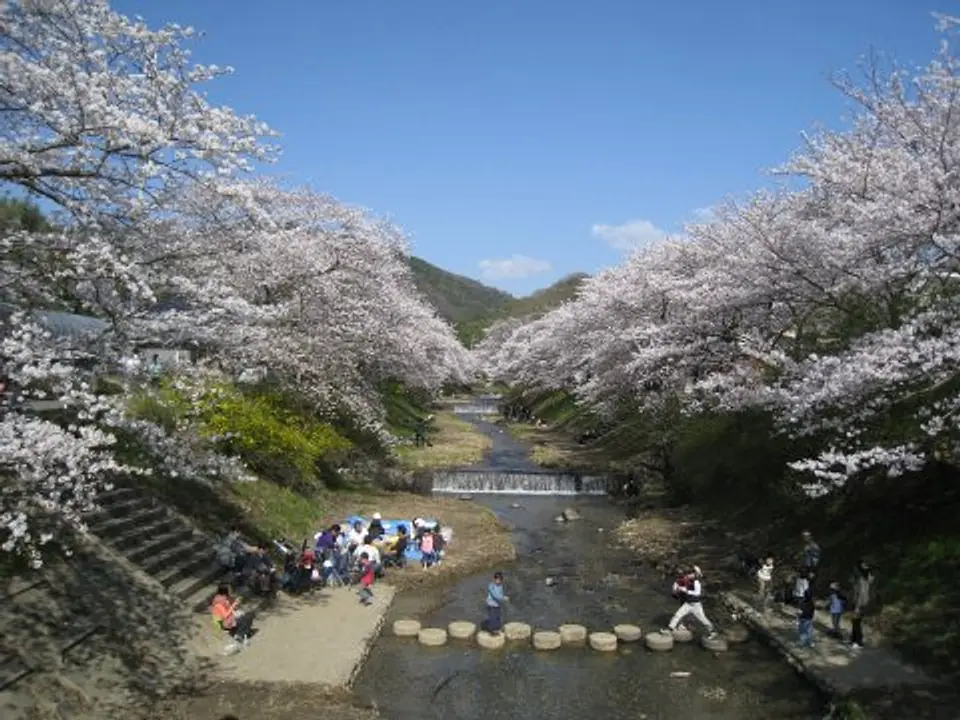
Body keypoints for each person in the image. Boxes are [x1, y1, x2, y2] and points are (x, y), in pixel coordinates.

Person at [661, 566, 718, 638]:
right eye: (687, 574)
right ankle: (669, 629)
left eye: (689, 574)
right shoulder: (687, 579)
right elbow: (678, 582)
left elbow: (697, 593)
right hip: (688, 604)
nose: (687, 576)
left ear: (694, 574)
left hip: (696, 605)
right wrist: (676, 587)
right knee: (677, 615)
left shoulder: (696, 582)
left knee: (703, 619)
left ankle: (713, 632)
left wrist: (686, 591)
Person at [850, 560, 875, 651]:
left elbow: (861, 593)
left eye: (866, 565)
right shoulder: (864, 577)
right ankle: (853, 640)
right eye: (864, 564)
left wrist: (857, 606)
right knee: (855, 622)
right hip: (860, 602)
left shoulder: (862, 578)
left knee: (856, 622)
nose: (865, 566)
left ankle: (858, 641)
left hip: (860, 603)